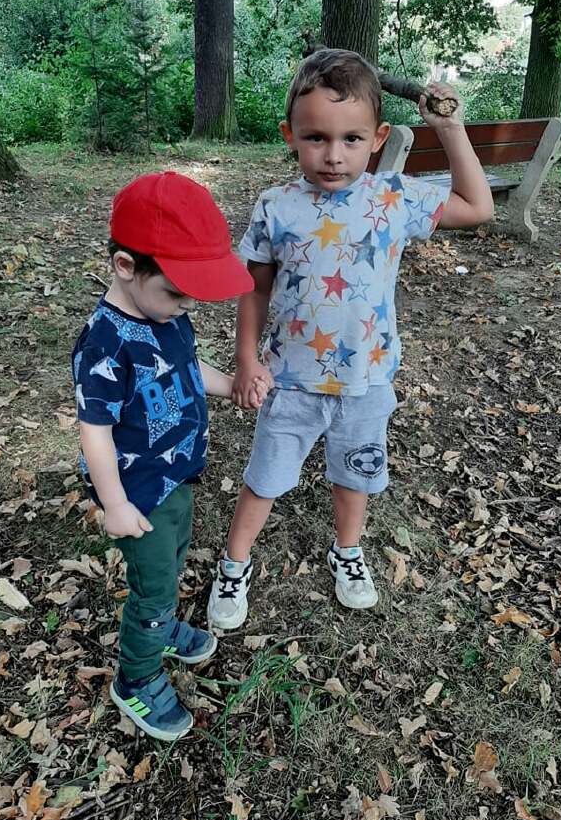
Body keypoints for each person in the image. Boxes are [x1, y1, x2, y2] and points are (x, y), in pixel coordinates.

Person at [207, 48, 493, 629]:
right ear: (290, 136)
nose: (334, 155)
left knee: (354, 473)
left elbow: (477, 207)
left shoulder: (394, 198)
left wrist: (450, 128)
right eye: (316, 137)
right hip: (290, 380)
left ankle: (348, 551)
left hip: (367, 380)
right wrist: (245, 360)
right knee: (265, 477)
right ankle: (234, 563)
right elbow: (254, 289)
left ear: (378, 138)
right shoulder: (276, 207)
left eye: (352, 139)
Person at [72, 171, 268, 741]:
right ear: (125, 266)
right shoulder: (105, 343)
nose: (186, 305)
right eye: (177, 292)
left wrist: (230, 384)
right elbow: (94, 431)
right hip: (137, 492)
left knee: (175, 556)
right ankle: (135, 677)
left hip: (176, 473)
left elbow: (184, 368)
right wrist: (114, 504)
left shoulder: (164, 313)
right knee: (153, 585)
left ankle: (162, 627)